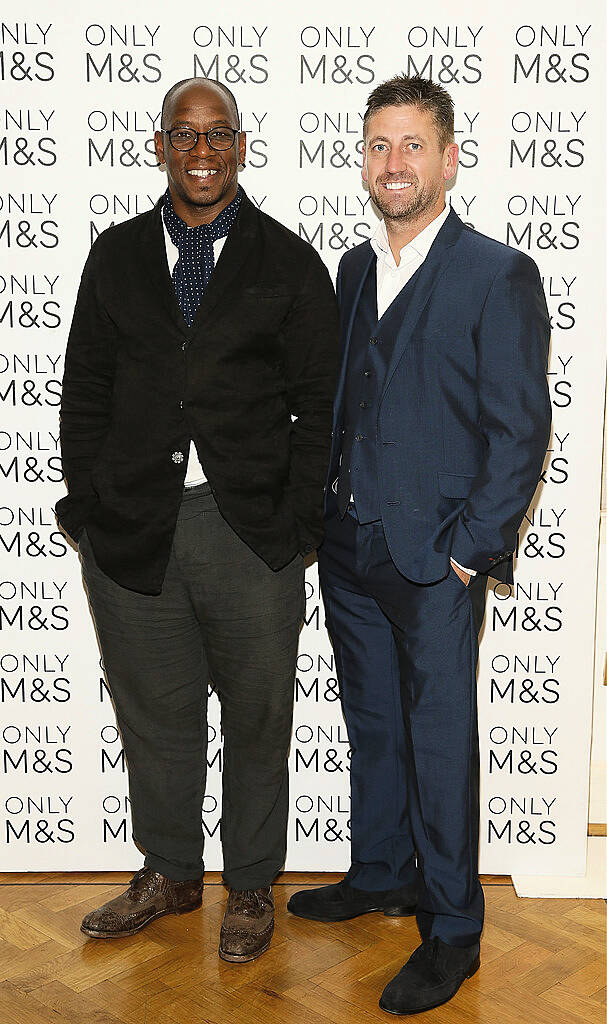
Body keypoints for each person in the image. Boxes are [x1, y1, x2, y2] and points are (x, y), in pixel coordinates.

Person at [57, 76, 338, 963]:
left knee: (258, 717)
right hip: (134, 532)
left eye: (218, 135)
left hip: (248, 533)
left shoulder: (289, 263)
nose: (203, 151)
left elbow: (320, 409)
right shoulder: (115, 255)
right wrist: (91, 511)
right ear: (161, 147)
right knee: (157, 718)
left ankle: (250, 884)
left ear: (242, 146)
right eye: (185, 135)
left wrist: (297, 527)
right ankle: (170, 871)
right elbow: (84, 395)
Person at [288, 74, 551, 1014]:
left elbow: (520, 431)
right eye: (377, 145)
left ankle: (451, 930)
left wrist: (469, 550)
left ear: (446, 157)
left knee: (439, 740)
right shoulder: (354, 269)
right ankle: (380, 871)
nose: (391, 163)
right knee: (371, 721)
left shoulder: (495, 272)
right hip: (351, 545)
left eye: (410, 145)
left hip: (436, 556)